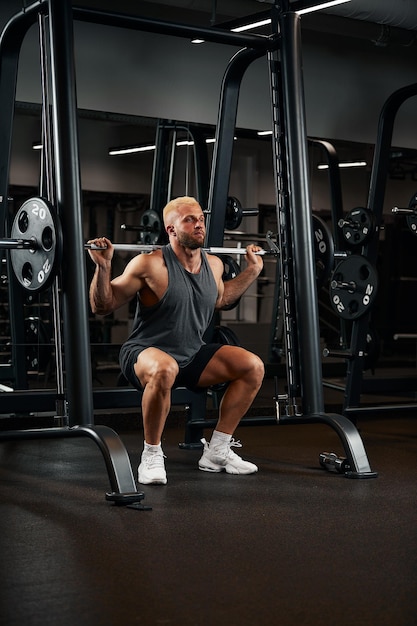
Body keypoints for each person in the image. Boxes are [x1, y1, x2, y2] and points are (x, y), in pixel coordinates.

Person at [88, 196, 265, 485]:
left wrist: (252, 271)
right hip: (145, 353)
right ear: (171, 229)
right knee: (165, 368)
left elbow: (220, 298)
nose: (199, 225)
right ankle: (152, 454)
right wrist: (104, 267)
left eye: (200, 219)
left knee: (252, 366)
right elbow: (102, 306)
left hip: (191, 354)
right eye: (189, 220)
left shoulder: (215, 265)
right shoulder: (149, 265)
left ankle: (217, 450)